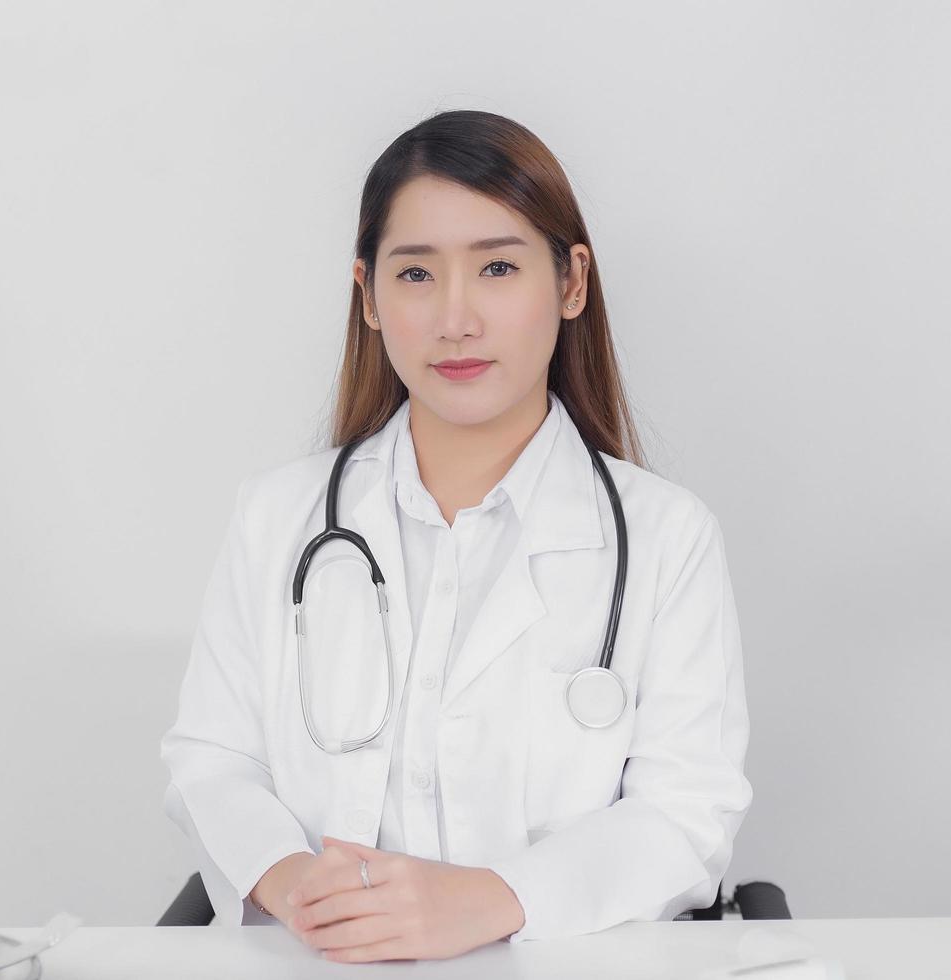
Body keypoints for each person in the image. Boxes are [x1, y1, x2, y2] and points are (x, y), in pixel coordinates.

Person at [158, 109, 752, 963]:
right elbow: (211, 761)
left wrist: (491, 900)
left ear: (572, 282)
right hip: (317, 960)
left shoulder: (667, 539)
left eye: (499, 267)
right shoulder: (274, 518)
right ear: (366, 295)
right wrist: (295, 884)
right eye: (415, 276)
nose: (455, 319)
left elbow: (687, 814)